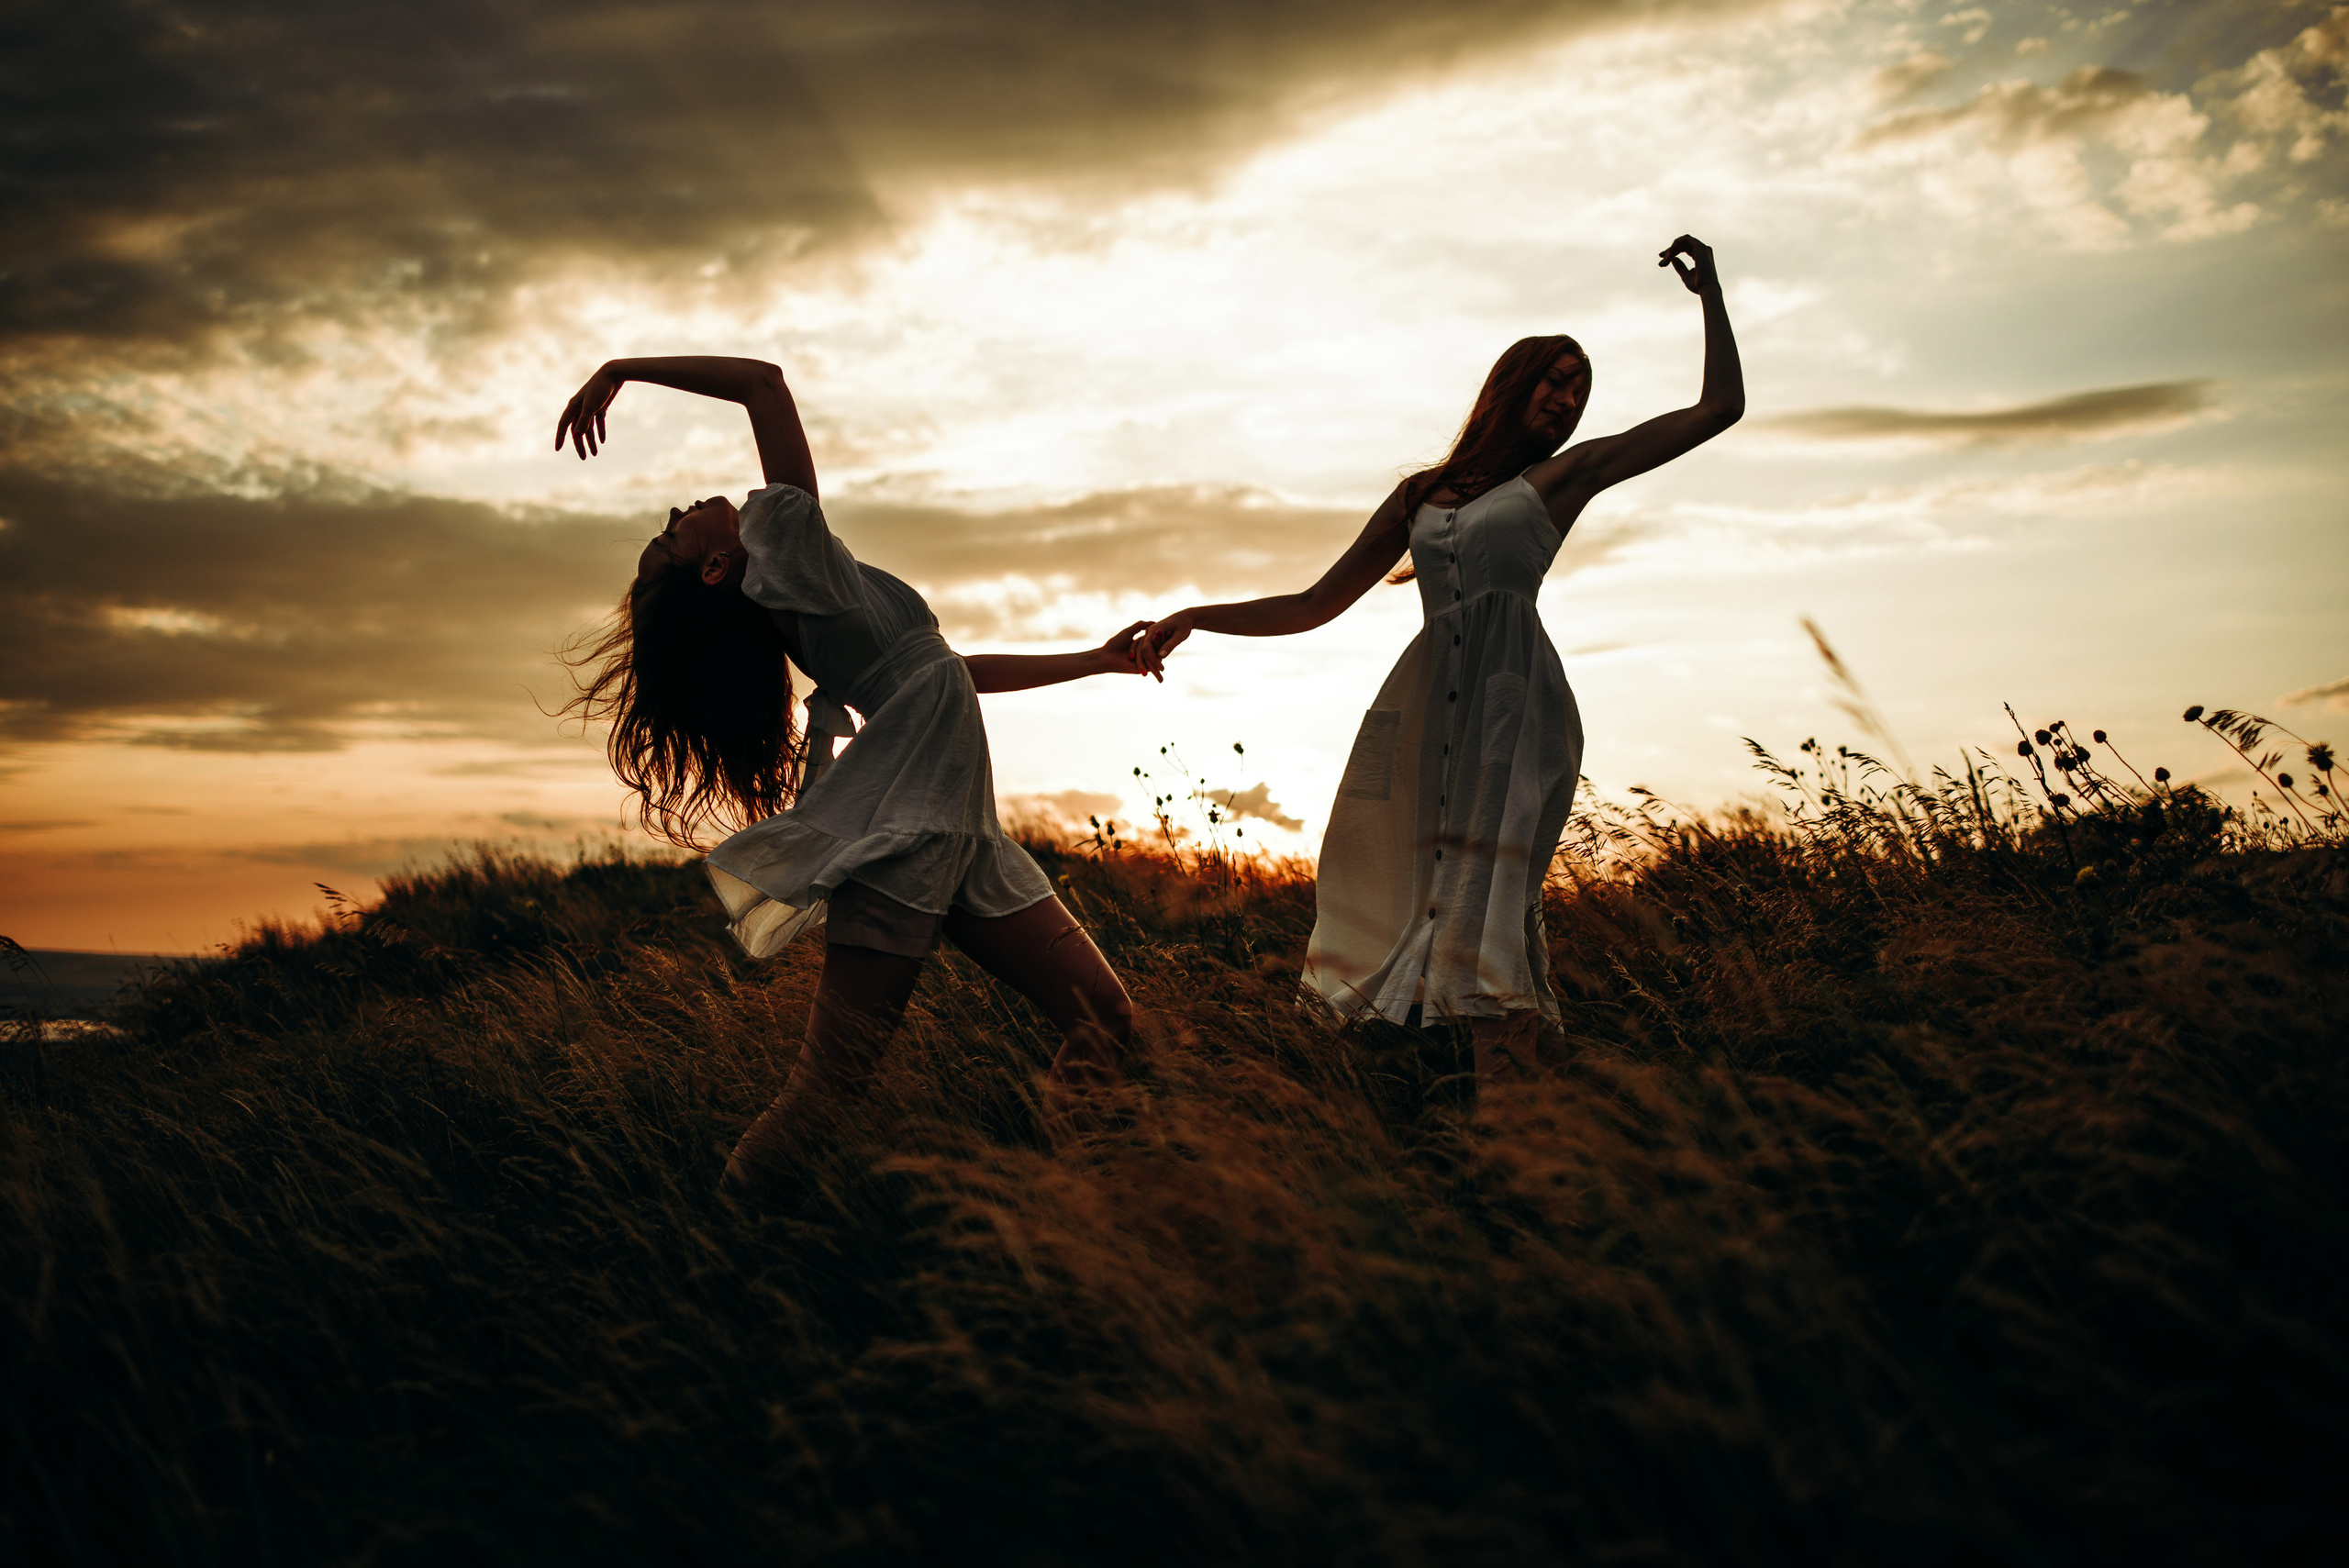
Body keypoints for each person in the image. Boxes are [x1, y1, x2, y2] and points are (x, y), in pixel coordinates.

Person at [554, 355, 1162, 1196]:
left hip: (965, 839)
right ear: (713, 569)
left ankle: (1066, 1203)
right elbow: (763, 382)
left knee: (1104, 1017)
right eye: (672, 532)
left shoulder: (810, 589)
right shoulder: (789, 548)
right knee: (825, 1092)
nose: (676, 510)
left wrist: (1094, 661)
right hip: (906, 839)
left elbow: (945, 670)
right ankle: (723, 1237)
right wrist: (621, 369)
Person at [1144, 236, 1743, 1081]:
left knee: (1492, 904)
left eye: (1582, 392)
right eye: (1557, 380)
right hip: (1422, 710)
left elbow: (1718, 409)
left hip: (1512, 707)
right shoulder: (1420, 495)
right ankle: (1520, 1094)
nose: (1569, 401)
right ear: (1513, 383)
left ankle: (1513, 1127)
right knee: (1379, 877)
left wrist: (1711, 295)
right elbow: (1315, 604)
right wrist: (1197, 615)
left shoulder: (1562, 479)